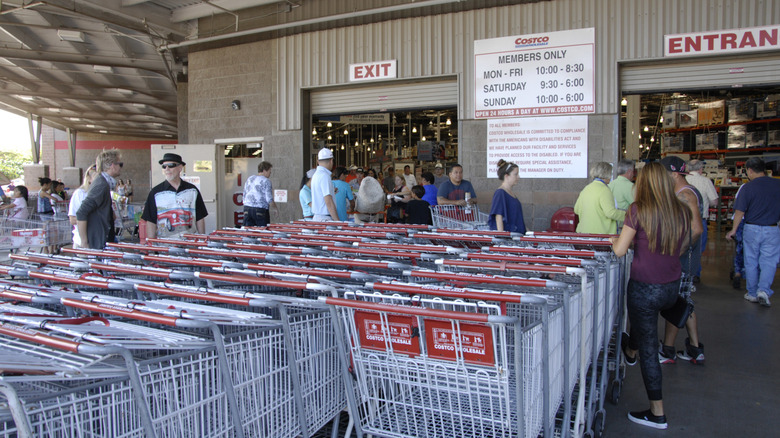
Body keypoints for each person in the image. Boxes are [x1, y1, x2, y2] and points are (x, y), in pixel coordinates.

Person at [610, 162, 696, 430]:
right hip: (671, 286)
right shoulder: (681, 209)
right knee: (643, 328)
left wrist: (614, 239)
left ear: (645, 183)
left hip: (644, 288)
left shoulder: (638, 210)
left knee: (649, 346)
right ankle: (631, 351)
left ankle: (657, 413)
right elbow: (686, 241)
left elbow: (620, 250)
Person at [659, 156, 705, 365]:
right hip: (686, 259)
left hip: (683, 261)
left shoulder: (685, 195)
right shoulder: (683, 193)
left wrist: (677, 253)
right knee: (685, 302)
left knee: (675, 303)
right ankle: (695, 349)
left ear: (674, 174)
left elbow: (696, 229)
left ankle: (668, 350)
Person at [726, 157, 780, 307]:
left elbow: (739, 212)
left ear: (749, 170)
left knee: (751, 261)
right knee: (769, 261)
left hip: (751, 228)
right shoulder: (778, 184)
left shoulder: (747, 187)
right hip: (772, 228)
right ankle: (764, 290)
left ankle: (752, 293)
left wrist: (733, 230)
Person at [141, 152, 208, 239]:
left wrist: (202, 241)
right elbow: (151, 221)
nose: (167, 169)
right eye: (164, 166)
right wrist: (151, 247)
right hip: (165, 246)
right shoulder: (155, 193)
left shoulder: (193, 190)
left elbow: (200, 218)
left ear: (180, 168)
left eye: (171, 165)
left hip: (190, 244)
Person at [77, 149, 123, 249]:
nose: (121, 167)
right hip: (99, 242)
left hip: (102, 238)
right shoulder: (101, 185)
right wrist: (84, 242)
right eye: (120, 164)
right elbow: (81, 212)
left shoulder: (104, 183)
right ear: (112, 165)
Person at [685, 159, 718, 277]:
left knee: (682, 248)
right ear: (701, 169)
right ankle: (695, 274)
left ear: (688, 169)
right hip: (700, 220)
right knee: (697, 249)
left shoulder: (683, 180)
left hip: (683, 221)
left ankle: (684, 274)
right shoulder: (706, 181)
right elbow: (714, 202)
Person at [574, 162, 625, 234]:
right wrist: (629, 216)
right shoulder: (604, 190)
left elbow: (576, 209)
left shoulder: (586, 188)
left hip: (583, 233)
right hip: (601, 235)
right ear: (607, 174)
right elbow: (610, 213)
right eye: (611, 173)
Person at [488, 159, 526, 234]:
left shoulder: (511, 193)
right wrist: (501, 236)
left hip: (517, 235)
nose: (518, 177)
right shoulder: (500, 193)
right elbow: (498, 216)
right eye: (515, 174)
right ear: (507, 176)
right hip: (509, 237)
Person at [68, 165, 98, 248]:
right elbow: (72, 219)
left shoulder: (104, 193)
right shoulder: (79, 193)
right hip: (82, 242)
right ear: (89, 179)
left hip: (98, 240)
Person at [243, 161, 277, 227]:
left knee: (248, 231)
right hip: (260, 209)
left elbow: (244, 193)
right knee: (263, 233)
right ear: (264, 170)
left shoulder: (250, 179)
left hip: (247, 208)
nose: (270, 173)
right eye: (269, 170)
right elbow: (269, 198)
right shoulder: (266, 181)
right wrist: (275, 208)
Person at [310, 148, 340, 221]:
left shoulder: (315, 175)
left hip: (317, 217)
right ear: (331, 161)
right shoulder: (324, 176)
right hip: (325, 219)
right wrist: (337, 222)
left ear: (318, 161)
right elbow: (328, 201)